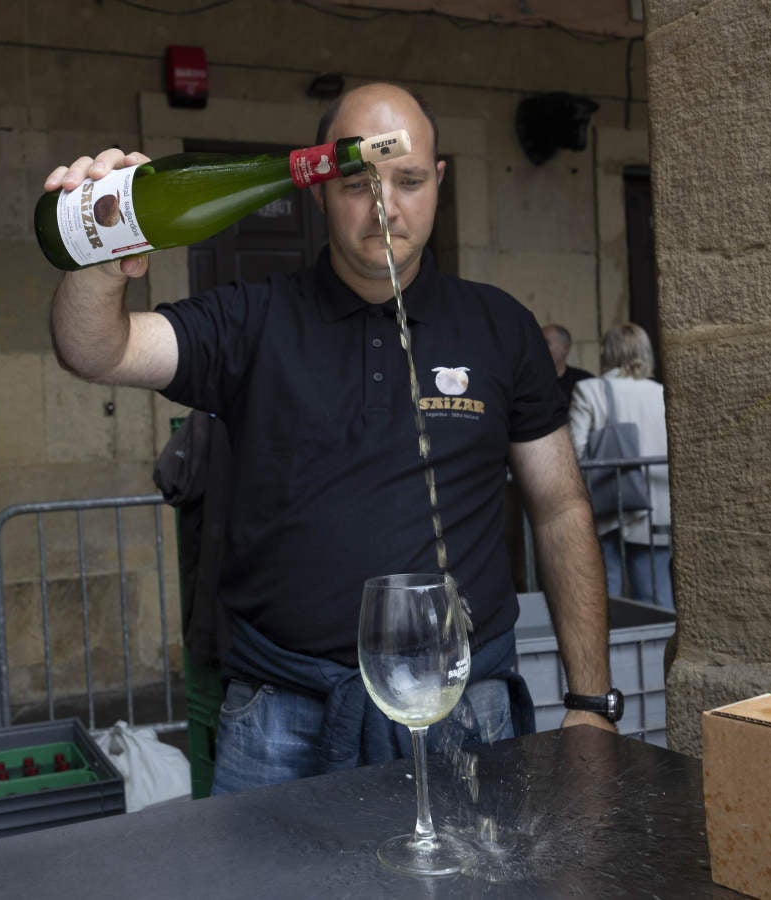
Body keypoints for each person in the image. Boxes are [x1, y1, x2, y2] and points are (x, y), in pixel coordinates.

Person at [44, 82, 618, 794]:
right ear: (319, 188)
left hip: (462, 709)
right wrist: (98, 259)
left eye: (407, 181)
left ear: (437, 182)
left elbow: (560, 507)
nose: (385, 205)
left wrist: (591, 704)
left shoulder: (500, 328)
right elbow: (97, 350)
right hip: (281, 717)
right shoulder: (251, 322)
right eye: (357, 183)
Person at [569, 323, 673, 609]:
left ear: (607, 352)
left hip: (610, 503)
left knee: (606, 598)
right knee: (657, 598)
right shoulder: (661, 393)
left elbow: (575, 451)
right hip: (657, 508)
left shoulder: (589, 390)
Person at [543, 323, 596, 400]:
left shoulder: (585, 382)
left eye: (546, 342)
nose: (539, 348)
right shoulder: (529, 383)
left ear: (565, 348)